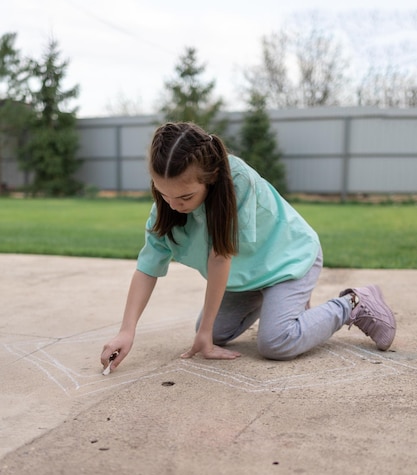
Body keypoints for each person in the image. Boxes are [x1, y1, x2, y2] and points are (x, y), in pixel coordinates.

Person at [101, 121, 396, 372]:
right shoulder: (166, 210)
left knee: (276, 342)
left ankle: (354, 303)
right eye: (163, 194)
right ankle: (287, 308)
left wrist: (204, 334)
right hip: (246, 276)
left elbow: (220, 259)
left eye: (185, 197)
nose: (174, 206)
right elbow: (147, 269)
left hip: (288, 260)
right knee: (215, 333)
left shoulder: (237, 182)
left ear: (211, 178)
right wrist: (127, 331)